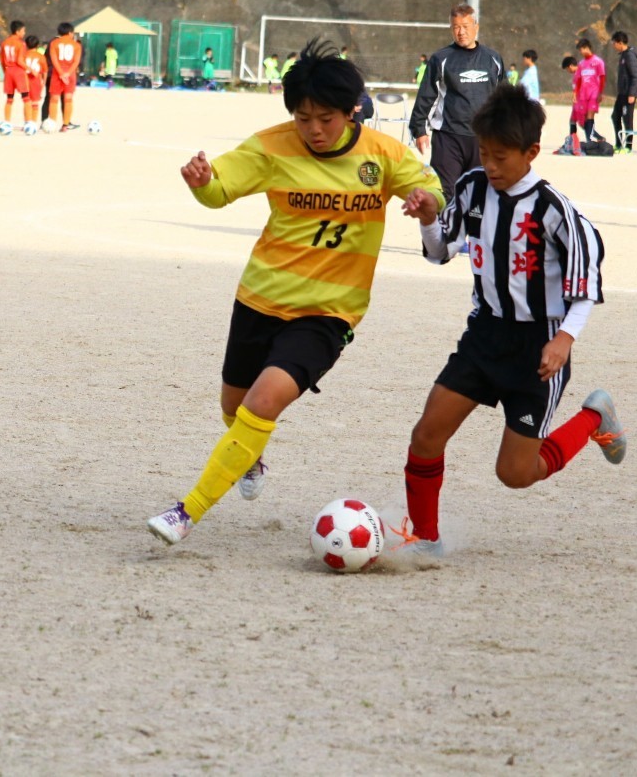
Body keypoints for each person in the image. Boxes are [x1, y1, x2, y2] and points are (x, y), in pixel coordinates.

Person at [145, 39, 445, 546]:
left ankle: (186, 511)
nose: (314, 129)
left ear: (351, 111)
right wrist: (201, 182)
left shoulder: (382, 154)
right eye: (304, 118)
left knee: (263, 402)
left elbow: (432, 188)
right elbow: (221, 189)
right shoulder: (272, 145)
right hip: (260, 297)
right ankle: (249, 458)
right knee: (233, 407)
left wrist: (425, 202)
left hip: (329, 313)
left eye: (326, 118)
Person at [398, 83, 622, 556]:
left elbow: (586, 286)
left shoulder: (556, 211)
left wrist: (564, 339)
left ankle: (594, 417)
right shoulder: (473, 187)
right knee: (426, 434)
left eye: (500, 156)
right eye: (484, 154)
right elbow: (439, 252)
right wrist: (426, 217)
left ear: (532, 151)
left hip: (538, 348)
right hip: (484, 336)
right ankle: (425, 539)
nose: (491, 165)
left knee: (515, 475)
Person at [410, 3, 503, 196]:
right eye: (456, 27)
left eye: (466, 26)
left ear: (476, 27)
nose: (461, 32)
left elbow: (506, 98)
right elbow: (426, 95)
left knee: (478, 195)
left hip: (483, 139)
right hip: (448, 137)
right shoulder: (440, 59)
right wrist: (419, 129)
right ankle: (445, 227)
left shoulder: (493, 59)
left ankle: (472, 227)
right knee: (445, 194)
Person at [610, 31, 637, 153]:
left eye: (614, 43)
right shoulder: (623, 55)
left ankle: (628, 146)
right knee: (615, 116)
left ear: (620, 43)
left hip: (628, 94)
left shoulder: (630, 55)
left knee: (627, 119)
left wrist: (632, 94)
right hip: (621, 93)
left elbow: (635, 76)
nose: (613, 46)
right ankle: (618, 144)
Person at [48, 21, 82, 131]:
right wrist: (68, 73)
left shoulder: (54, 43)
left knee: (54, 99)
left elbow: (54, 60)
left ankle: (52, 123)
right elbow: (76, 62)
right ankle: (65, 125)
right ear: (70, 33)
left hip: (57, 74)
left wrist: (61, 73)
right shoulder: (76, 45)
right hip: (70, 74)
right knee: (68, 99)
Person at [573, 38, 606, 144]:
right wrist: (575, 93)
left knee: (590, 115)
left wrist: (600, 93)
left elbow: (602, 78)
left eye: (582, 49)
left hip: (594, 93)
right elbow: (578, 80)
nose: (581, 52)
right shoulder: (581, 64)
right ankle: (593, 138)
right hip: (583, 94)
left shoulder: (598, 61)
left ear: (587, 48)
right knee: (584, 118)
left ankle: (589, 140)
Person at [1, 20, 29, 124]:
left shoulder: (5, 42)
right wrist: (31, 69)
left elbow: (2, 61)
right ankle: (28, 122)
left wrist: (6, 72)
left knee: (9, 99)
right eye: (23, 31)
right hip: (18, 71)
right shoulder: (21, 43)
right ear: (17, 31)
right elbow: (20, 61)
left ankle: (7, 122)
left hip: (8, 71)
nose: (24, 33)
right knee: (26, 97)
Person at [22, 34, 47, 125]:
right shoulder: (41, 56)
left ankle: (27, 121)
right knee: (35, 103)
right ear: (37, 45)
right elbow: (44, 71)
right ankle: (33, 122)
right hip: (36, 81)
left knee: (27, 102)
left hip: (25, 81)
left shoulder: (24, 55)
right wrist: (43, 83)